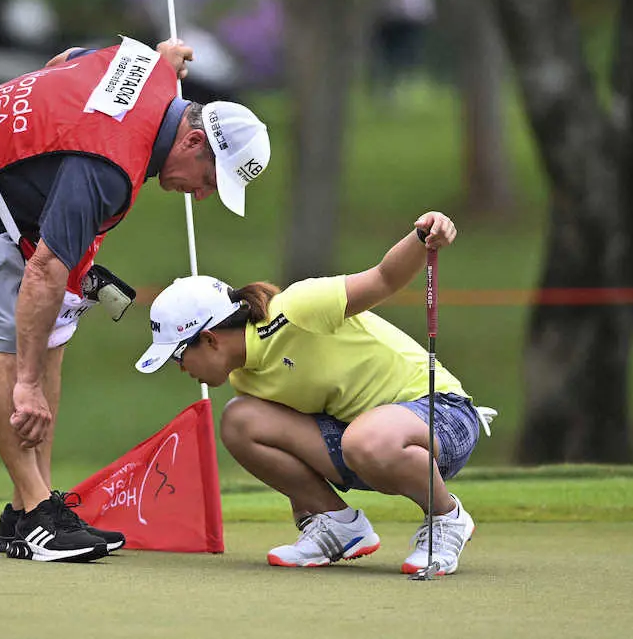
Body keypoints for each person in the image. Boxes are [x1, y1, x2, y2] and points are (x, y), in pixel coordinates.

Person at [0, 35, 271, 563]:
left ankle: (33, 511)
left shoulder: (151, 66)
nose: (205, 193)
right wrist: (25, 383)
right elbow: (45, 272)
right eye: (211, 178)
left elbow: (64, 63)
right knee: (8, 333)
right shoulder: (109, 168)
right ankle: (33, 514)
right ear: (190, 143)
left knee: (57, 325)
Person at [134, 212, 493, 574]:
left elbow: (383, 278)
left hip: (442, 416)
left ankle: (446, 518)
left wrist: (421, 237)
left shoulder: (296, 308)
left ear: (210, 339)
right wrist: (305, 506)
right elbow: (298, 445)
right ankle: (339, 526)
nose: (181, 368)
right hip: (362, 445)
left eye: (180, 355)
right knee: (240, 420)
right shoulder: (247, 379)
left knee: (364, 439)